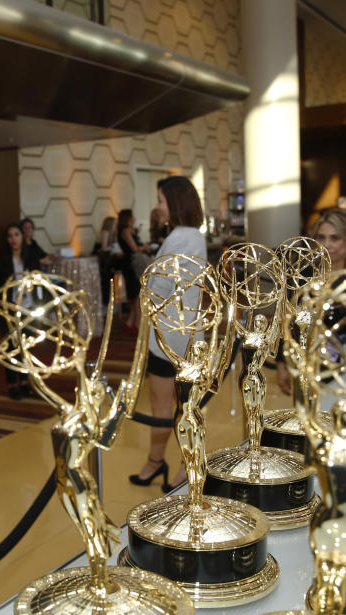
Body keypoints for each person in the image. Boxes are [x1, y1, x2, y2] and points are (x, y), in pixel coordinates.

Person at [128, 176, 207, 490]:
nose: (158, 207)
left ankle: (188, 464)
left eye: (161, 200)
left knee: (181, 405)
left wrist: (144, 273)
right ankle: (156, 461)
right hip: (175, 330)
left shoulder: (183, 236)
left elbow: (159, 283)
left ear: (175, 202)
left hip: (175, 333)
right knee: (168, 405)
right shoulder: (186, 235)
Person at [277, 208, 346, 395]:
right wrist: (282, 363)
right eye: (321, 237)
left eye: (335, 238)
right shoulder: (305, 274)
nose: (328, 244)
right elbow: (288, 320)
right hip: (308, 363)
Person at [0, 223, 40, 399]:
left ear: (22, 237)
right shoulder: (2, 259)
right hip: (8, 309)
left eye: (16, 235)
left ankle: (26, 381)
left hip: (28, 308)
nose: (13, 239)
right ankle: (12, 384)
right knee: (11, 347)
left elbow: (39, 282)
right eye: (10, 235)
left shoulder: (31, 257)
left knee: (26, 346)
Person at [117, 208, 152, 332]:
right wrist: (145, 247)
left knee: (135, 293)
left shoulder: (126, 230)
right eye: (132, 216)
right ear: (128, 218)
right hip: (132, 264)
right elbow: (135, 248)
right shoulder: (125, 231)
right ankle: (137, 323)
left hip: (129, 263)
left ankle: (131, 322)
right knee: (136, 293)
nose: (134, 218)